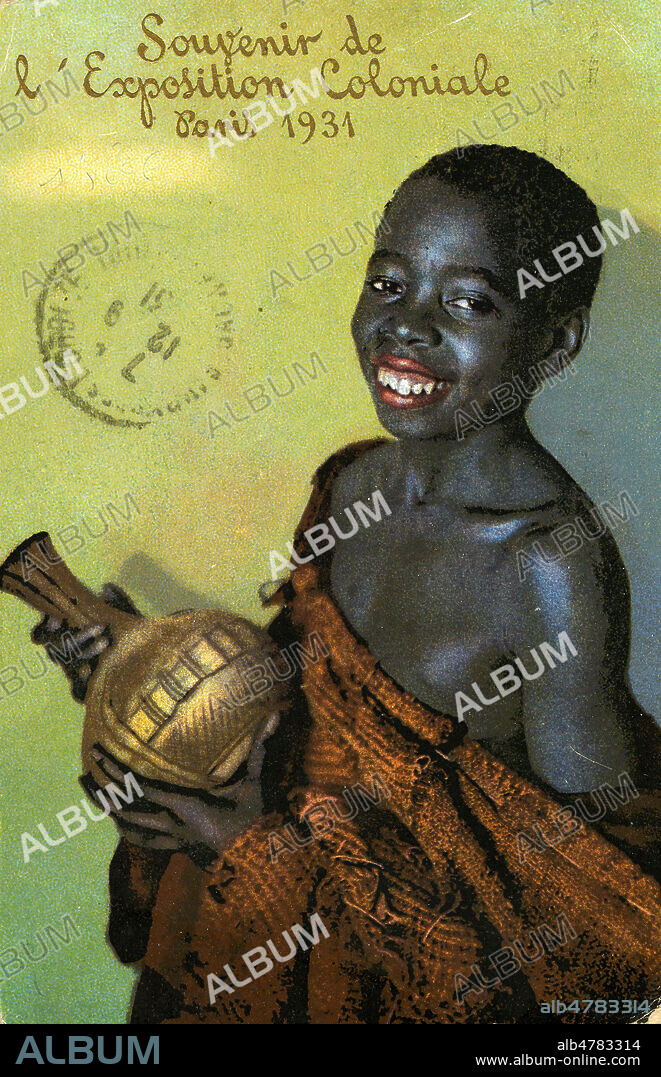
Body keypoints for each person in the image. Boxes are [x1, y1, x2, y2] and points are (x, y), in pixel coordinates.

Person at [34, 145, 661, 1024]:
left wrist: (256, 842)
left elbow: (584, 918)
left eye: (468, 302)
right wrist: (139, 671)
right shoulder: (350, 485)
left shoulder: (547, 565)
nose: (405, 325)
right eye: (387, 283)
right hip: (228, 948)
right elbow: (297, 714)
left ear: (554, 342)